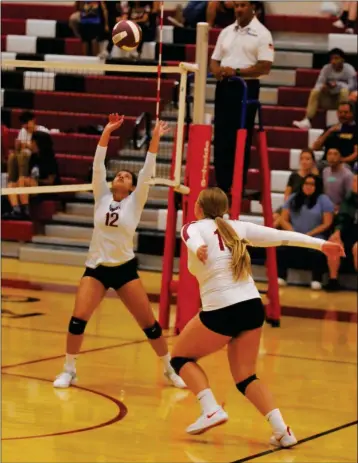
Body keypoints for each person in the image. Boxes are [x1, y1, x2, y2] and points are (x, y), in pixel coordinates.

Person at [170, 187, 343, 445]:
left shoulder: (195, 227)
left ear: (199, 208)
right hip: (251, 306)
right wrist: (322, 245)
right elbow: (282, 236)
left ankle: (210, 408)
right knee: (246, 377)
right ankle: (282, 431)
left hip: (221, 308)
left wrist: (199, 248)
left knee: (180, 358)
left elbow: (189, 235)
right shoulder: (237, 227)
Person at [53, 114, 186, 389]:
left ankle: (169, 370)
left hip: (124, 269)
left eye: (126, 176)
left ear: (132, 187)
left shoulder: (135, 202)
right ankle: (69, 369)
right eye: (119, 174)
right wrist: (109, 131)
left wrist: (157, 137)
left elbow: (148, 169)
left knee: (149, 324)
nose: (121, 176)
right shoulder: (101, 195)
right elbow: (98, 165)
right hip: (97, 268)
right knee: (78, 319)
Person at [210, 1, 274, 194]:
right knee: (220, 135)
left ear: (252, 7)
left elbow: (265, 67)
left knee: (240, 137)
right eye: (236, 5)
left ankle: (236, 184)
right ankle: (221, 184)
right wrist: (217, 71)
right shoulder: (227, 31)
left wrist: (236, 71)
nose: (238, 9)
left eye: (243, 5)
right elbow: (214, 60)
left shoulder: (262, 33)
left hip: (246, 88)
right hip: (223, 87)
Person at [279, 175, 334, 290]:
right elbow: (283, 219)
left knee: (318, 251)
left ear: (317, 186)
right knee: (281, 247)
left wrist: (309, 234)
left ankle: (316, 279)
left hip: (314, 236)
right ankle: (281, 277)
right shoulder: (293, 197)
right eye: (306, 184)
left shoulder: (324, 200)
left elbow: (327, 223)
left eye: (312, 184)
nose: (308, 186)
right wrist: (293, 232)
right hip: (294, 235)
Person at [293, 49, 356, 130]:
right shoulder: (326, 68)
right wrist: (323, 87)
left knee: (344, 91)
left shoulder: (349, 70)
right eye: (332, 59)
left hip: (343, 101)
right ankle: (307, 120)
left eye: (336, 58)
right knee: (315, 91)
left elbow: (353, 87)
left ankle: (343, 122)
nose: (333, 61)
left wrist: (338, 85)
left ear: (342, 60)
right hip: (328, 98)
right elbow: (318, 84)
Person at [326, 170, 358, 291]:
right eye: (354, 181)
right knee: (333, 242)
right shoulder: (349, 198)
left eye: (357, 181)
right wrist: (337, 232)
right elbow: (342, 218)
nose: (354, 184)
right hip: (349, 233)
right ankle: (333, 280)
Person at [273, 148, 319, 228]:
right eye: (302, 159)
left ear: (313, 161)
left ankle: (263, 237)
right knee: (274, 216)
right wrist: (288, 206)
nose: (304, 161)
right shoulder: (294, 176)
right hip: (291, 204)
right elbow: (287, 194)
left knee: (280, 220)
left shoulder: (315, 178)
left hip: (304, 206)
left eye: (307, 159)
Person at [311, 101, 357, 170]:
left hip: (344, 163)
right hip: (326, 162)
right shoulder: (330, 128)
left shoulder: (356, 130)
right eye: (340, 112)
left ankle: (331, 180)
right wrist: (329, 132)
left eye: (345, 112)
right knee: (311, 168)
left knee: (340, 170)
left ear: (352, 114)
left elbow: (356, 154)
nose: (342, 115)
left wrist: (341, 160)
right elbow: (315, 147)